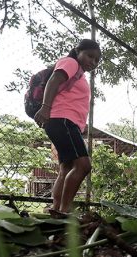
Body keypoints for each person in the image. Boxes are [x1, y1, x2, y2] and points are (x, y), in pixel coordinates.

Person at [33, 39, 101, 218]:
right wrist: (46, 107)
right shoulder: (70, 63)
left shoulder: (79, 73)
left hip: (67, 122)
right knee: (84, 165)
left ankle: (56, 209)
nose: (92, 62)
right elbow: (54, 81)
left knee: (66, 167)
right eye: (90, 56)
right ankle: (65, 210)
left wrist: (80, 126)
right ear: (78, 52)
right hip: (62, 120)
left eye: (96, 60)